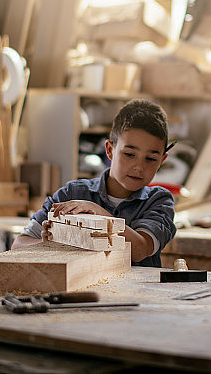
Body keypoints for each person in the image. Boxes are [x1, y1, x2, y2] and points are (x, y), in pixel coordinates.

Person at [11, 99, 176, 267]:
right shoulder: (72, 194)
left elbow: (140, 250)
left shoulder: (159, 201)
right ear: (110, 150)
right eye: (129, 154)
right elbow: (18, 245)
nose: (139, 167)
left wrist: (98, 214)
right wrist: (48, 245)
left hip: (137, 285)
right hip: (79, 283)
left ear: (162, 160)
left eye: (151, 159)